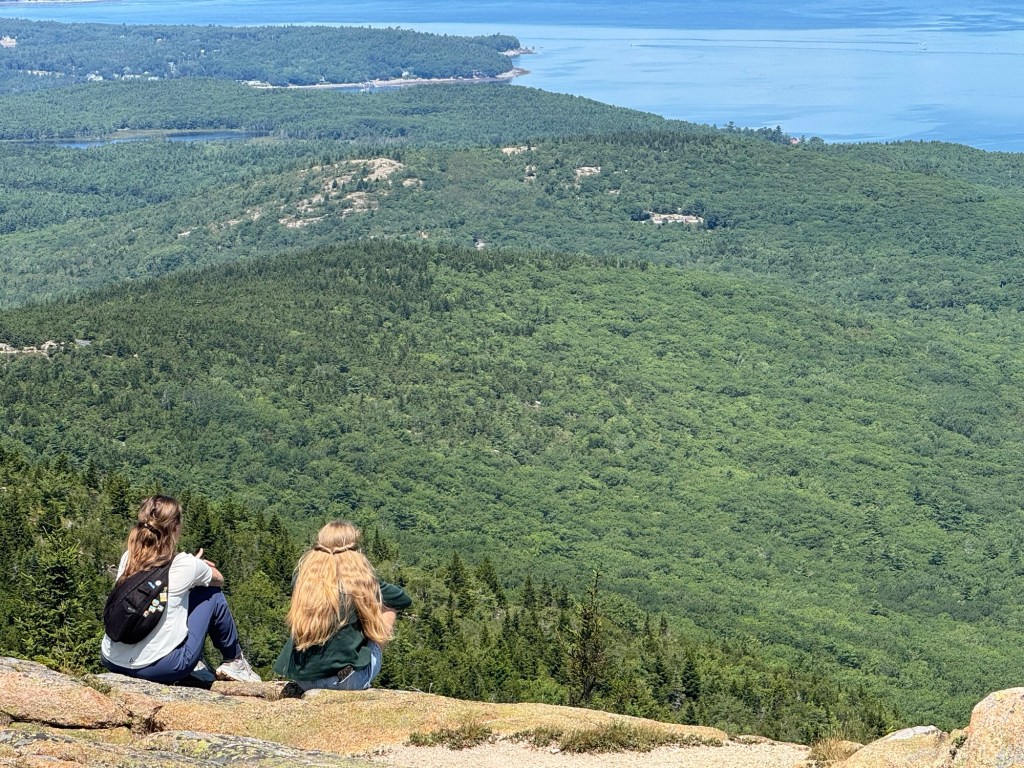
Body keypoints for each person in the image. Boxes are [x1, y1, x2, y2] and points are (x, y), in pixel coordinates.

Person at [100, 495, 261, 684]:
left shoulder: (129, 557)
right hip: (161, 667)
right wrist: (197, 567)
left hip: (111, 659)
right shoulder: (185, 564)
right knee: (211, 594)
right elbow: (219, 579)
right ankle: (234, 661)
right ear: (175, 528)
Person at [274, 520, 410, 690]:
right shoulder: (362, 583)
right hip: (346, 681)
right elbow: (402, 599)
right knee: (388, 608)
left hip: (304, 681)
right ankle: (361, 660)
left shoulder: (302, 580)